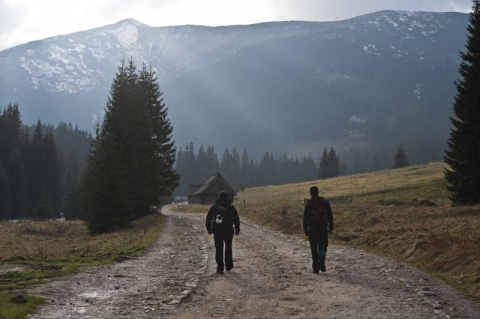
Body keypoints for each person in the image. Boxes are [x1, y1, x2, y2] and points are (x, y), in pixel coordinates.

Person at [206, 191, 241, 274]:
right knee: (228, 247)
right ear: (227, 197)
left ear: (219, 197)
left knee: (219, 248)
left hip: (217, 230)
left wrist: (209, 229)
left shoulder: (214, 207)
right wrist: (237, 229)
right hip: (228, 230)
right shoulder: (231, 207)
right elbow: (236, 219)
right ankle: (228, 265)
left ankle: (220, 267)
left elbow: (209, 219)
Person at [303, 186, 333, 273]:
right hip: (323, 228)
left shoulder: (309, 204)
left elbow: (305, 219)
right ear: (318, 192)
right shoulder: (325, 202)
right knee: (323, 246)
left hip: (313, 229)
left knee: (314, 248)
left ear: (310, 193)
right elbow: (330, 216)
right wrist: (330, 227)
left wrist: (306, 230)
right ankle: (322, 261)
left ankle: (316, 267)